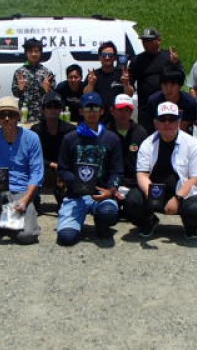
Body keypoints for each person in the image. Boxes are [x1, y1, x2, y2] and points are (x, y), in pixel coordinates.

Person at [124, 101, 197, 239]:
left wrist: (177, 199)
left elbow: (196, 177)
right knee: (131, 201)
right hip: (155, 193)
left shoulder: (192, 143)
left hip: (183, 195)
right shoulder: (147, 144)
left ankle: (190, 226)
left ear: (179, 121)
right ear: (155, 123)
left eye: (172, 119)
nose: (167, 123)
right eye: (163, 119)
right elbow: (142, 174)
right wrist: (152, 196)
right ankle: (149, 221)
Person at [56, 92, 124, 246]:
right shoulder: (70, 138)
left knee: (108, 213)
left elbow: (117, 171)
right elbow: (62, 169)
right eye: (88, 108)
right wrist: (78, 182)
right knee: (66, 238)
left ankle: (101, 224)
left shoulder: (112, 139)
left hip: (102, 193)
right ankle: (74, 224)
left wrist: (111, 190)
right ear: (81, 111)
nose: (92, 112)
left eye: (95, 108)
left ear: (102, 111)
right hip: (75, 194)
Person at [0, 96, 44, 244]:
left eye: (11, 114)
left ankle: (9, 220)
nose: (7, 118)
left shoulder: (32, 138)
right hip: (0, 187)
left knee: (27, 237)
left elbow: (37, 172)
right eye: (2, 115)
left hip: (23, 190)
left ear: (18, 117)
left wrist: (26, 200)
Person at [128, 27, 183, 132]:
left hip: (167, 108)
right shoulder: (137, 60)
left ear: (159, 40)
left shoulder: (169, 57)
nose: (146, 43)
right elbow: (129, 83)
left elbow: (180, 78)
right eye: (144, 41)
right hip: (146, 110)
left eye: (149, 40)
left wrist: (175, 64)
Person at [31, 92, 76, 205]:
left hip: (64, 169)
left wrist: (62, 166)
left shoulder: (71, 130)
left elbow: (73, 155)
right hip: (42, 168)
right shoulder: (35, 130)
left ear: (61, 109)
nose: (52, 109)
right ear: (43, 109)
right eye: (49, 106)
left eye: (56, 106)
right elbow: (33, 156)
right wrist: (51, 164)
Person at [82, 41, 134, 121]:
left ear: (115, 57)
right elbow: (86, 95)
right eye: (104, 55)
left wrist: (126, 84)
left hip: (118, 119)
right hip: (98, 119)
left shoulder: (122, 74)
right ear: (99, 57)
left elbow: (130, 95)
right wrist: (91, 84)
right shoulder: (93, 75)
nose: (107, 58)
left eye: (110, 55)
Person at [107, 94, 148, 191]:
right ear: (112, 111)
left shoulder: (140, 132)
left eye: (127, 110)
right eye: (120, 110)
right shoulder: (106, 133)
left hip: (134, 183)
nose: (124, 113)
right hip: (110, 182)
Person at [11, 38, 54, 124]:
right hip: (24, 115)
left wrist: (48, 90)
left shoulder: (47, 72)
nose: (33, 54)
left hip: (42, 116)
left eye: (36, 51)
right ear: (26, 53)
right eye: (30, 51)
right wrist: (20, 89)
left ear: (40, 53)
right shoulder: (20, 72)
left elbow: (52, 97)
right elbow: (16, 94)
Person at [146, 66, 197, 133]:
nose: (168, 89)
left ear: (180, 86)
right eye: (165, 84)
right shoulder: (153, 101)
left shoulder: (190, 103)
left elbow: (190, 127)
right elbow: (150, 126)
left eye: (172, 85)